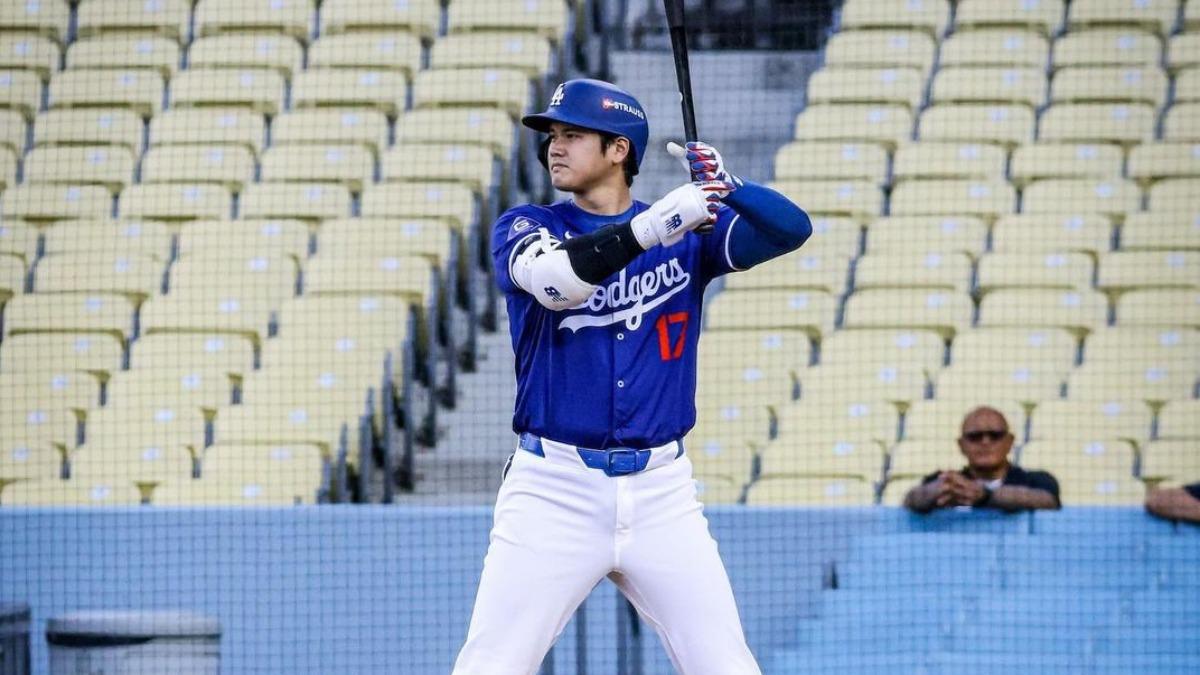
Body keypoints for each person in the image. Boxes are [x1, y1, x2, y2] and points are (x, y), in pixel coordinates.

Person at [452, 78, 811, 675]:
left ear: (619, 149)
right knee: (492, 664)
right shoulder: (525, 222)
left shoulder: (689, 235)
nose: (554, 148)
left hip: (662, 491)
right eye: (553, 136)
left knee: (727, 664)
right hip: (553, 487)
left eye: (573, 134)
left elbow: (790, 231)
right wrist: (663, 222)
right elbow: (555, 283)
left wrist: (731, 188)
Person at [904, 406, 1061, 513]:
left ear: (1010, 441)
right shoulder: (947, 482)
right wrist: (936, 491)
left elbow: (1047, 501)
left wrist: (985, 496)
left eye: (995, 435)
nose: (985, 442)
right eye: (975, 436)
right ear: (961, 444)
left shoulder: (1035, 481)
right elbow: (912, 500)